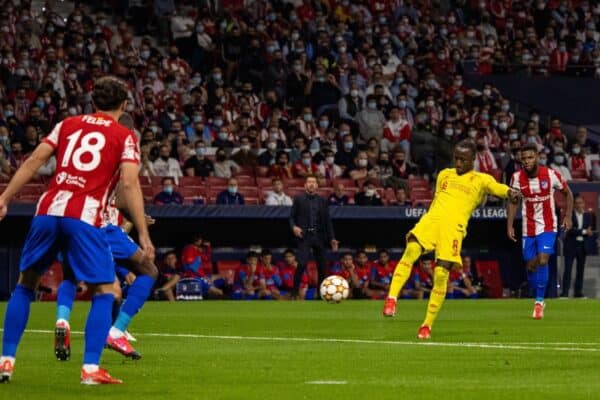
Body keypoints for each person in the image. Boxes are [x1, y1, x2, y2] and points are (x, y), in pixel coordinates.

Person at [0, 76, 153, 384]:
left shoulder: (66, 124)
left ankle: (5, 361)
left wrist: (3, 198)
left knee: (25, 284)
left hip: (47, 209)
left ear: (93, 102)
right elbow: (128, 183)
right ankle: (91, 369)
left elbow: (33, 162)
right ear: (124, 104)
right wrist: (143, 232)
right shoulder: (125, 136)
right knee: (103, 291)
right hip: (85, 215)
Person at [382, 140, 520, 339]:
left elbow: (497, 188)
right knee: (411, 251)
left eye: (463, 159)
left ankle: (426, 325)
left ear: (473, 160)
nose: (458, 162)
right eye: (456, 158)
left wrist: (511, 192)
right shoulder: (444, 174)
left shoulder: (481, 179)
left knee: (440, 275)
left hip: (453, 229)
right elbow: (439, 199)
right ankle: (392, 298)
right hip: (432, 220)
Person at [507, 144, 573, 319]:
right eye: (524, 159)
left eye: (530, 157)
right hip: (528, 229)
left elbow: (568, 194)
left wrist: (568, 217)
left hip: (548, 226)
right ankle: (537, 293)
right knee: (530, 268)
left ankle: (538, 302)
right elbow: (513, 202)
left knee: (543, 259)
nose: (527, 161)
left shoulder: (551, 175)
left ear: (536, 156)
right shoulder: (516, 178)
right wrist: (509, 225)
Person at [289, 175, 338, 299]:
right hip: (304, 236)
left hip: (319, 236)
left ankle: (320, 294)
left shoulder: (322, 200)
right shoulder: (299, 199)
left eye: (314, 182)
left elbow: (327, 221)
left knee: (322, 266)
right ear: (305, 185)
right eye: (309, 182)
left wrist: (332, 238)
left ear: (317, 185)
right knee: (301, 264)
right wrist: (294, 227)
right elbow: (291, 217)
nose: (311, 184)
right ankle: (294, 293)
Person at [561, 194, 593, 298]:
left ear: (584, 204)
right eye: (577, 203)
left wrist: (587, 232)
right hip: (571, 246)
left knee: (580, 271)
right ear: (574, 205)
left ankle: (578, 293)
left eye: (581, 203)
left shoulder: (588, 216)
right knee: (568, 270)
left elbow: (590, 230)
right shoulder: (569, 215)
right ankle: (565, 293)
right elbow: (570, 230)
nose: (580, 205)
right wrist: (584, 231)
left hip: (582, 246)